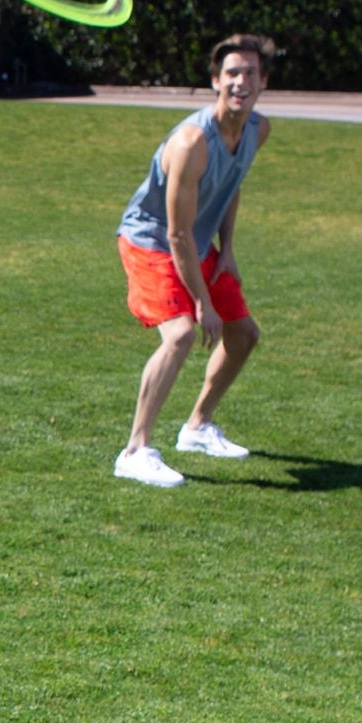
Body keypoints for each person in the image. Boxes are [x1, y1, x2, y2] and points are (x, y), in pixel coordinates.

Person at [112, 34, 275, 488]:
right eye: (232, 74)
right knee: (182, 333)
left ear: (263, 82)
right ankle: (134, 451)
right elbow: (175, 232)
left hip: (199, 243)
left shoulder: (257, 130)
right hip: (152, 242)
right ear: (215, 81)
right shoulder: (190, 142)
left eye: (250, 73)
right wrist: (201, 301)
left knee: (243, 334)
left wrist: (229, 250)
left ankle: (197, 429)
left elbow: (231, 184)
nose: (240, 82)